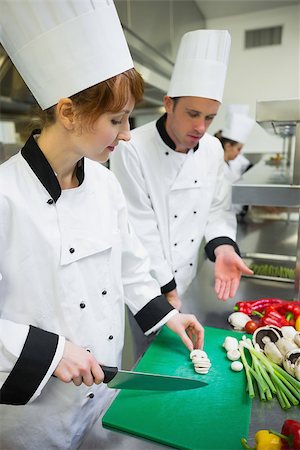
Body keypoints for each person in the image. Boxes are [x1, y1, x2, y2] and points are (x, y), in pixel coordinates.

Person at [0, 2, 204, 449]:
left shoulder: (106, 185)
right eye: (116, 119)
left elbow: (129, 266)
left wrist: (167, 317)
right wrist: (50, 351)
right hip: (33, 417)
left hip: (100, 400)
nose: (127, 133)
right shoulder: (5, 196)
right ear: (68, 112)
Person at [111, 30, 253, 313]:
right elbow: (138, 225)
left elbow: (217, 208)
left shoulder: (213, 149)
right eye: (192, 114)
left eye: (210, 117)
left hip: (189, 278)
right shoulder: (132, 148)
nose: (201, 127)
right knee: (149, 355)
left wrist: (223, 247)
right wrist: (166, 286)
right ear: (168, 104)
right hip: (148, 283)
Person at [214, 104, 255, 216]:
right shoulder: (216, 167)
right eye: (238, 149)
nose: (239, 153)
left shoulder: (228, 164)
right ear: (228, 146)